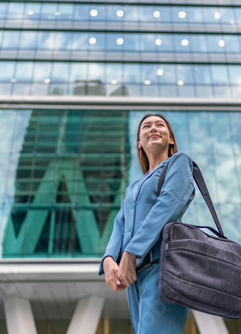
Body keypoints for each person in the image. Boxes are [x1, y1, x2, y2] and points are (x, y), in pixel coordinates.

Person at [99, 113, 196, 333]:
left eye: (160, 125)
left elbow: (168, 205)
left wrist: (132, 251)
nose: (153, 128)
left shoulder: (179, 163)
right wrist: (108, 259)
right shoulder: (133, 188)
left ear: (170, 139)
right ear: (139, 143)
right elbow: (120, 224)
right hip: (134, 276)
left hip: (163, 267)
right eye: (146, 126)